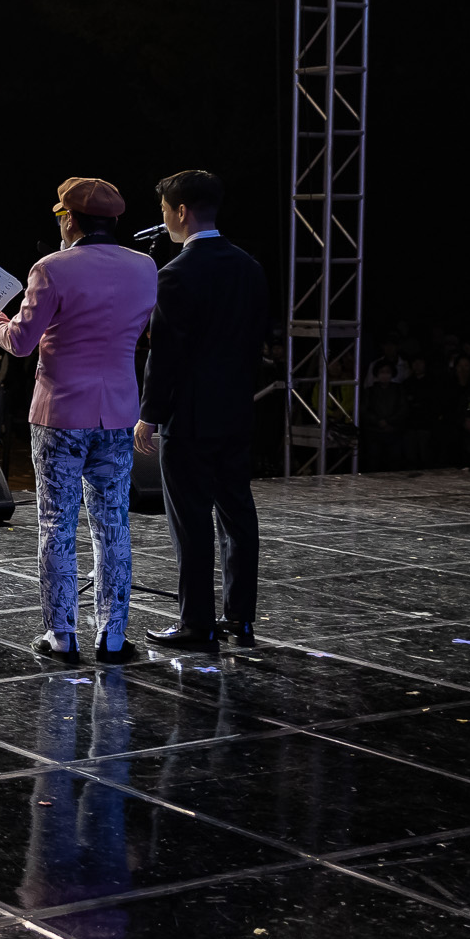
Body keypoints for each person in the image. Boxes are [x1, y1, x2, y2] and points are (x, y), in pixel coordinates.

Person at [0, 176, 159, 665]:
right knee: (113, 523)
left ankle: (61, 635)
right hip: (118, 412)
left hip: (59, 414)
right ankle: (113, 638)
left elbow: (19, 342)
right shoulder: (145, 268)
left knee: (57, 524)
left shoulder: (51, 268)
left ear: (70, 219)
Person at [133, 170, 270, 651]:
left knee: (190, 521)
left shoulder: (175, 274)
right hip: (235, 411)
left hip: (188, 417)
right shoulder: (249, 268)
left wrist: (149, 413)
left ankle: (197, 624)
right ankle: (242, 620)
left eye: (166, 211)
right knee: (237, 515)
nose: (165, 219)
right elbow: (255, 345)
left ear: (181, 211)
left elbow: (164, 355)